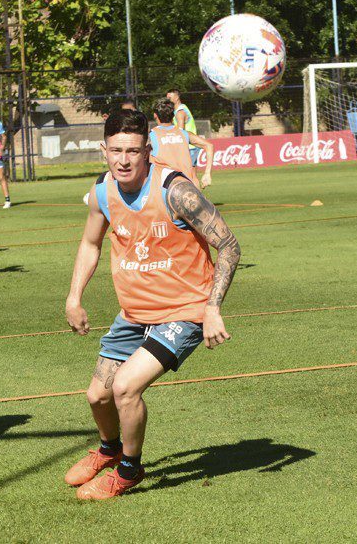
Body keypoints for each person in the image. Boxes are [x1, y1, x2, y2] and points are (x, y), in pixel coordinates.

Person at [64, 109, 241, 499]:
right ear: (103, 150)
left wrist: (212, 307)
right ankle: (109, 450)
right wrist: (74, 297)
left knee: (126, 387)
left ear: (148, 150)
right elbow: (91, 243)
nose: (123, 160)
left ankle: (129, 469)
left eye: (132, 151)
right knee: (98, 395)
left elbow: (228, 243)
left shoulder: (175, 191)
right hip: (134, 313)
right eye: (115, 151)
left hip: (184, 311)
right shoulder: (101, 192)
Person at [149, 98, 215, 188]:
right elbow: (209, 146)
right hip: (187, 187)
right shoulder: (184, 133)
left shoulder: (151, 136)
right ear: (173, 115)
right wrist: (207, 174)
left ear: (155, 115)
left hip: (165, 188)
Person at [166, 89, 199, 169]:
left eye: (169, 98)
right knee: (191, 175)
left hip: (188, 147)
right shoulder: (181, 109)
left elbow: (180, 131)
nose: (167, 101)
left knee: (186, 174)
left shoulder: (180, 112)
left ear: (177, 98)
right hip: (191, 146)